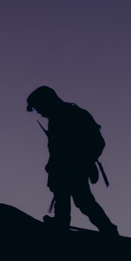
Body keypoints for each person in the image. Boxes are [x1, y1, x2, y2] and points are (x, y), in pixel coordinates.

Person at [27, 86, 117, 236]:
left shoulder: (70, 115)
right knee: (65, 194)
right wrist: (52, 167)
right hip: (64, 167)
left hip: (75, 166)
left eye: (39, 107)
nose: (40, 112)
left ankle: (107, 228)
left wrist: (83, 161)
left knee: (82, 199)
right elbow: (56, 148)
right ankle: (62, 221)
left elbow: (92, 143)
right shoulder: (59, 117)